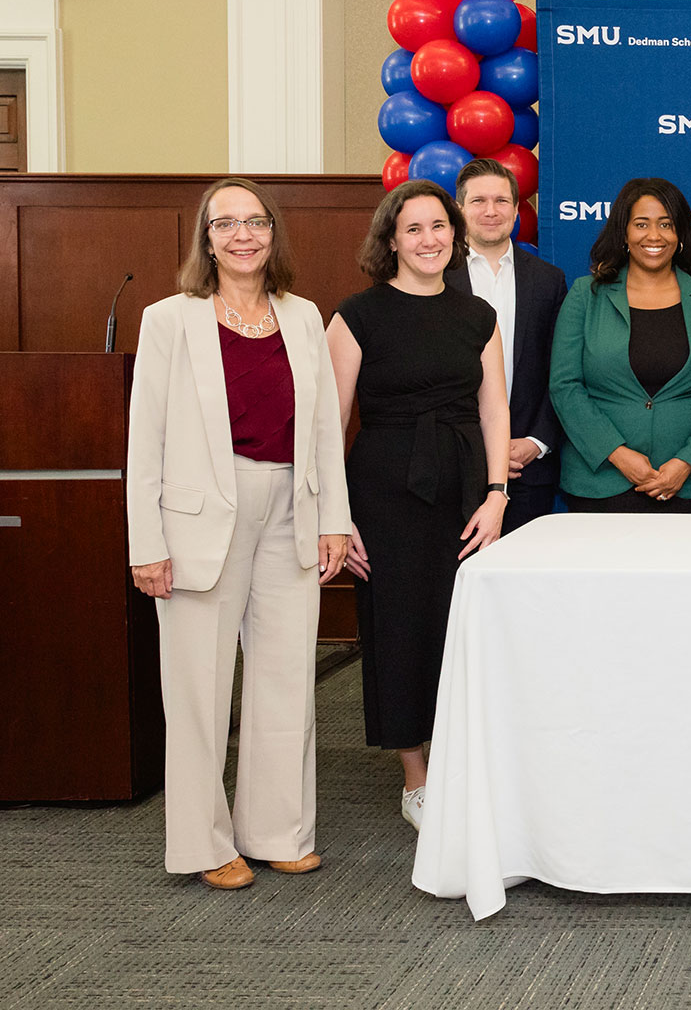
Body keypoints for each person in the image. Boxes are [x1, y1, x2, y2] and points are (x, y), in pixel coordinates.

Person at [125, 179, 350, 890]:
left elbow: (325, 429)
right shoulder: (170, 320)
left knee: (287, 679)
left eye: (256, 222)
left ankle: (278, 830)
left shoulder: (303, 315)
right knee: (198, 690)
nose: (243, 235)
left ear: (273, 233)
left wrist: (334, 520)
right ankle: (202, 844)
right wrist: (145, 544)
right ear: (208, 238)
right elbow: (145, 440)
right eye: (227, 224)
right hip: (198, 522)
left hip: (292, 510)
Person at [327, 180, 510, 830]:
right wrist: (336, 516)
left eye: (438, 226)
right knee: (399, 625)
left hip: (465, 487)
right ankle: (416, 777)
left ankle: (464, 762)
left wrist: (497, 495)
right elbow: (329, 423)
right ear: (391, 240)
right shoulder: (356, 315)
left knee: (463, 623)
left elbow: (494, 412)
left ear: (454, 236)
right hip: (384, 489)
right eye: (413, 229)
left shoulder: (478, 316)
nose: (429, 239)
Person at [550, 177, 691, 512]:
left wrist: (686, 462)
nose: (654, 236)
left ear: (680, 234)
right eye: (641, 224)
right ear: (624, 233)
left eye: (666, 224)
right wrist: (617, 454)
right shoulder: (585, 295)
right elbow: (565, 386)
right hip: (602, 483)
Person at [445, 158, 568, 533]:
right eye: (478, 201)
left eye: (501, 201)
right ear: (459, 209)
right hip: (451, 466)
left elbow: (563, 371)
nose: (490, 211)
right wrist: (478, 448)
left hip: (527, 469)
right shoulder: (437, 277)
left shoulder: (548, 281)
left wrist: (537, 441)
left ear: (517, 210)